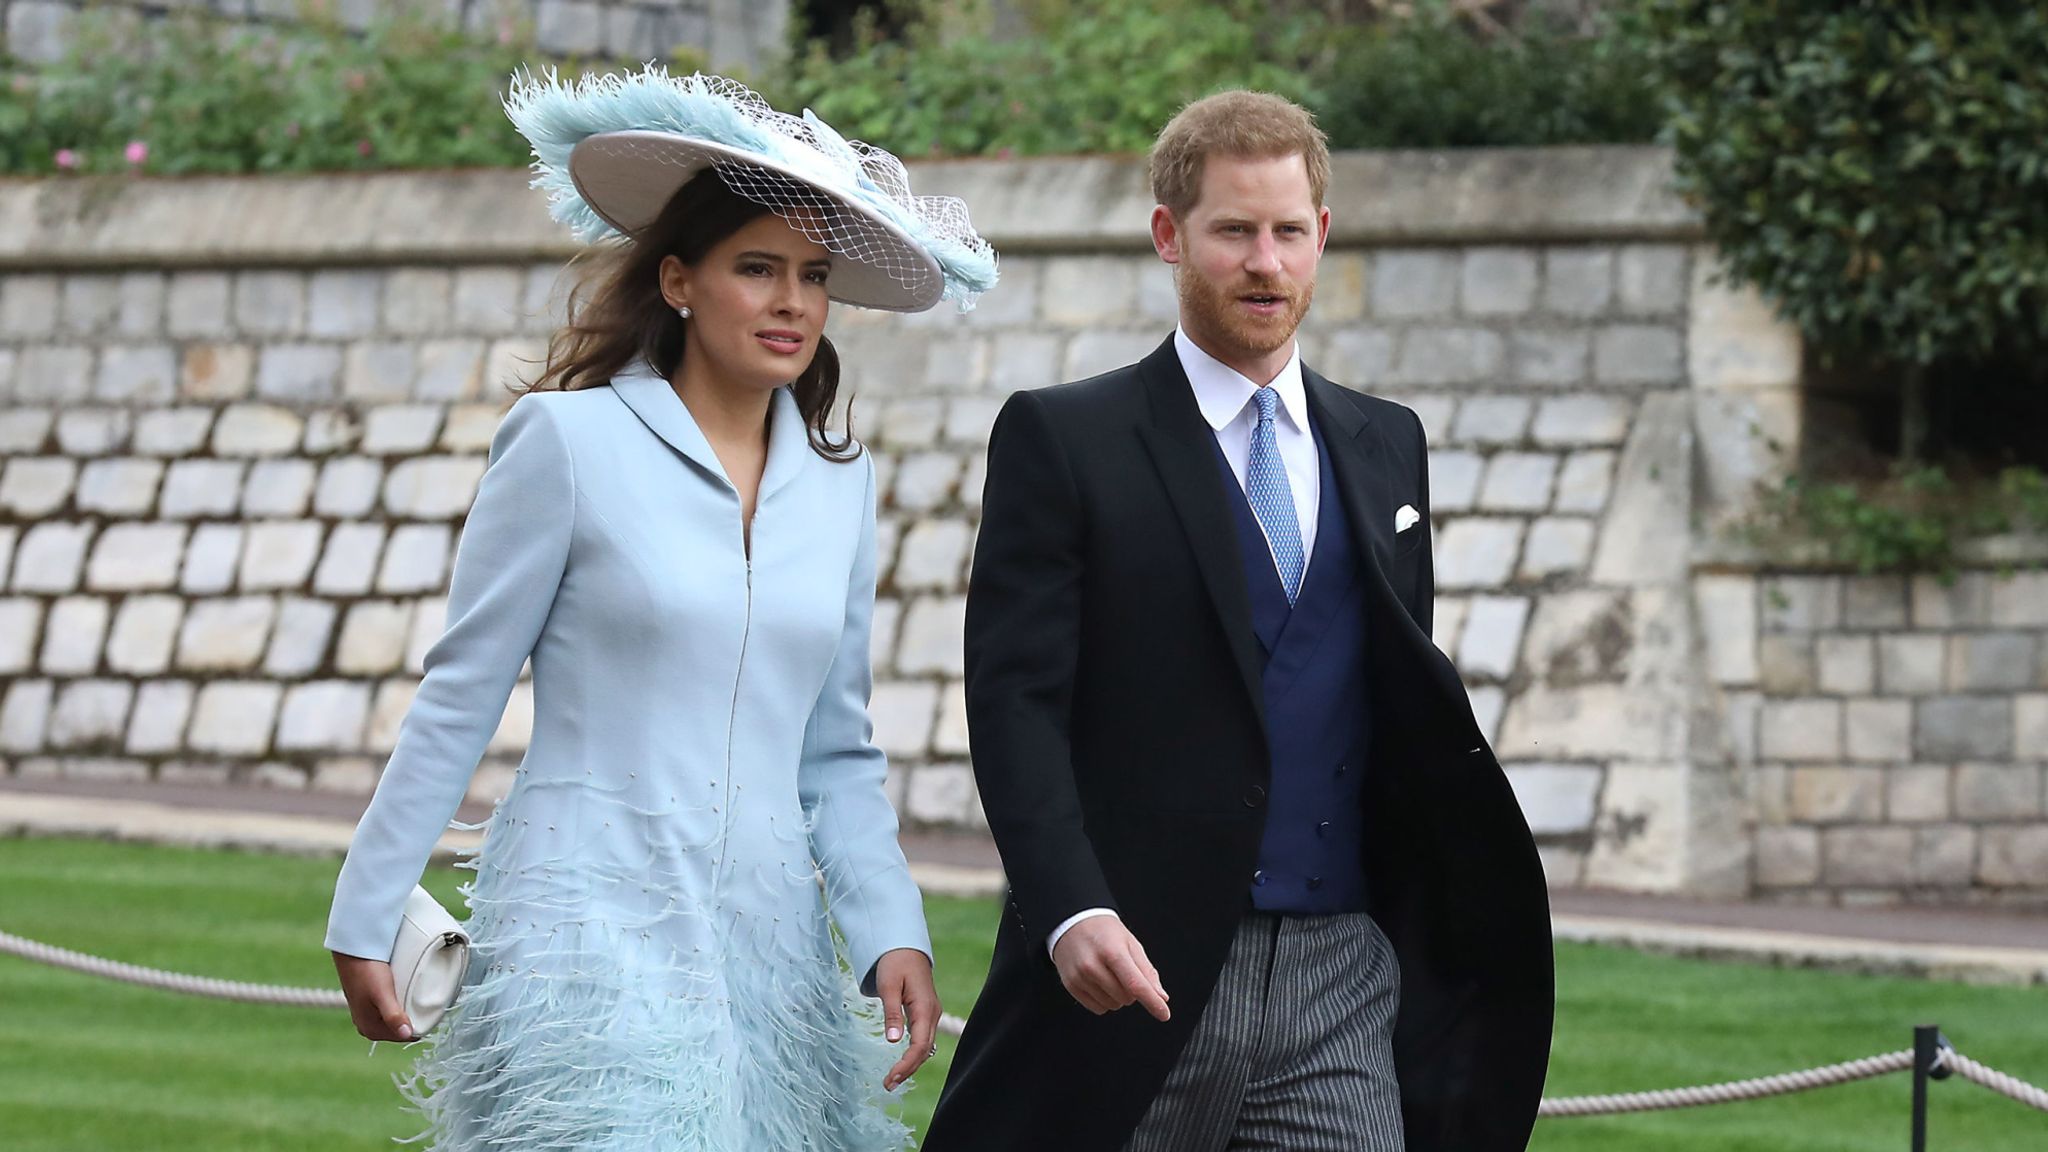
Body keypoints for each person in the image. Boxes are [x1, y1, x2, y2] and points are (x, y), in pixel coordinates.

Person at [324, 69, 997, 1150]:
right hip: (580, 925)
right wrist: (365, 909)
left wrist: (890, 932)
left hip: (769, 949)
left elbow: (835, 748)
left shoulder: (839, 481)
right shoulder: (564, 442)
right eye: (757, 269)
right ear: (679, 281)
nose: (791, 303)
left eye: (812, 277)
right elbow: (462, 691)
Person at [922, 90, 1551, 1152]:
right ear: (1168, 236)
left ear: (1321, 238)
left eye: (1287, 232)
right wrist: (1070, 908)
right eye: (1232, 231)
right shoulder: (1064, 439)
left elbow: (1394, 707)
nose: (1264, 262)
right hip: (1136, 969)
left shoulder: (1385, 443)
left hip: (1339, 979)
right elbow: (1014, 703)